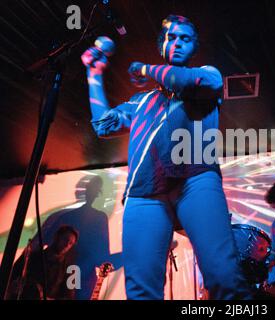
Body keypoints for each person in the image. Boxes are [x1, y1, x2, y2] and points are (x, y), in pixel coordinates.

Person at [81, 14, 250, 300]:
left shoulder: (207, 76)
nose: (178, 43)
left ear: (193, 46)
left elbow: (182, 80)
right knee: (141, 292)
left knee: (224, 278)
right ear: (162, 45)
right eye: (172, 38)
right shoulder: (141, 101)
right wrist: (94, 74)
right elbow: (103, 125)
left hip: (196, 180)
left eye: (185, 39)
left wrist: (145, 68)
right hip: (143, 191)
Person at [7, 225, 78, 300]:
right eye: (65, 239)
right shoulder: (31, 256)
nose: (67, 245)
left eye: (70, 243)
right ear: (57, 237)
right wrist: (13, 286)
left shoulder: (70, 269)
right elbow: (10, 277)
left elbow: (69, 297)